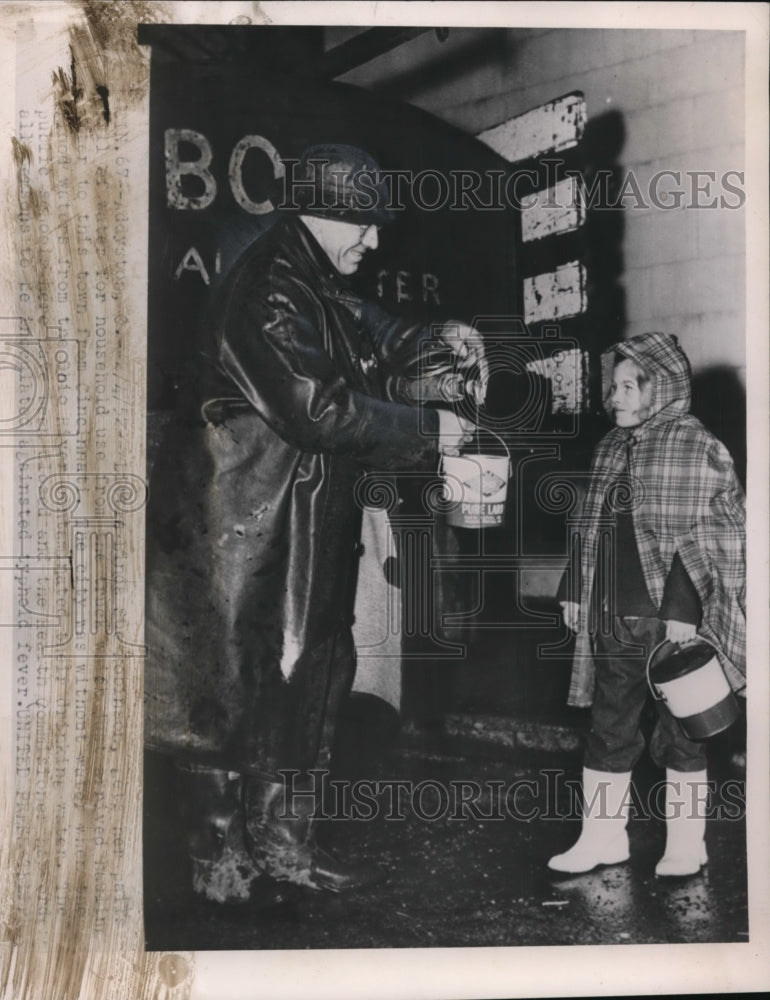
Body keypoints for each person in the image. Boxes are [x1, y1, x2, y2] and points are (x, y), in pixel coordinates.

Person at [144, 143, 484, 903]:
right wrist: (436, 431)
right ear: (321, 212)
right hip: (237, 525)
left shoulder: (314, 281)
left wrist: (444, 339)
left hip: (295, 519)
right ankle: (222, 865)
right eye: (364, 224)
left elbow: (379, 332)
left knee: (312, 681)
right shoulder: (271, 289)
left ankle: (286, 848)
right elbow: (317, 407)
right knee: (227, 692)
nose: (376, 239)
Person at [549, 332, 745, 878]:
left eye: (626, 387)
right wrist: (574, 590)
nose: (613, 398)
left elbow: (709, 534)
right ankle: (602, 838)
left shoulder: (696, 446)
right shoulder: (610, 446)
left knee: (682, 731)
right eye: (613, 388)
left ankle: (686, 845)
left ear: (660, 389)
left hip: (673, 623)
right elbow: (587, 528)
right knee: (608, 728)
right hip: (615, 618)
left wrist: (684, 607)